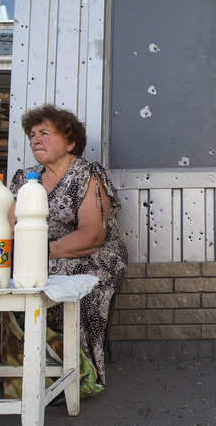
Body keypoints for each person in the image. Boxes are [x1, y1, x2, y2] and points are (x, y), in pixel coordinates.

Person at [9, 104, 128, 388]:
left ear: (70, 142)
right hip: (39, 256)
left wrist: (37, 254)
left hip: (95, 255)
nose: (36, 139)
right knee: (2, 283)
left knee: (68, 279)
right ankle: (14, 369)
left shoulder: (87, 174)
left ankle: (77, 373)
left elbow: (91, 236)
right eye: (33, 134)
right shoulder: (24, 179)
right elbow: (11, 228)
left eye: (45, 133)